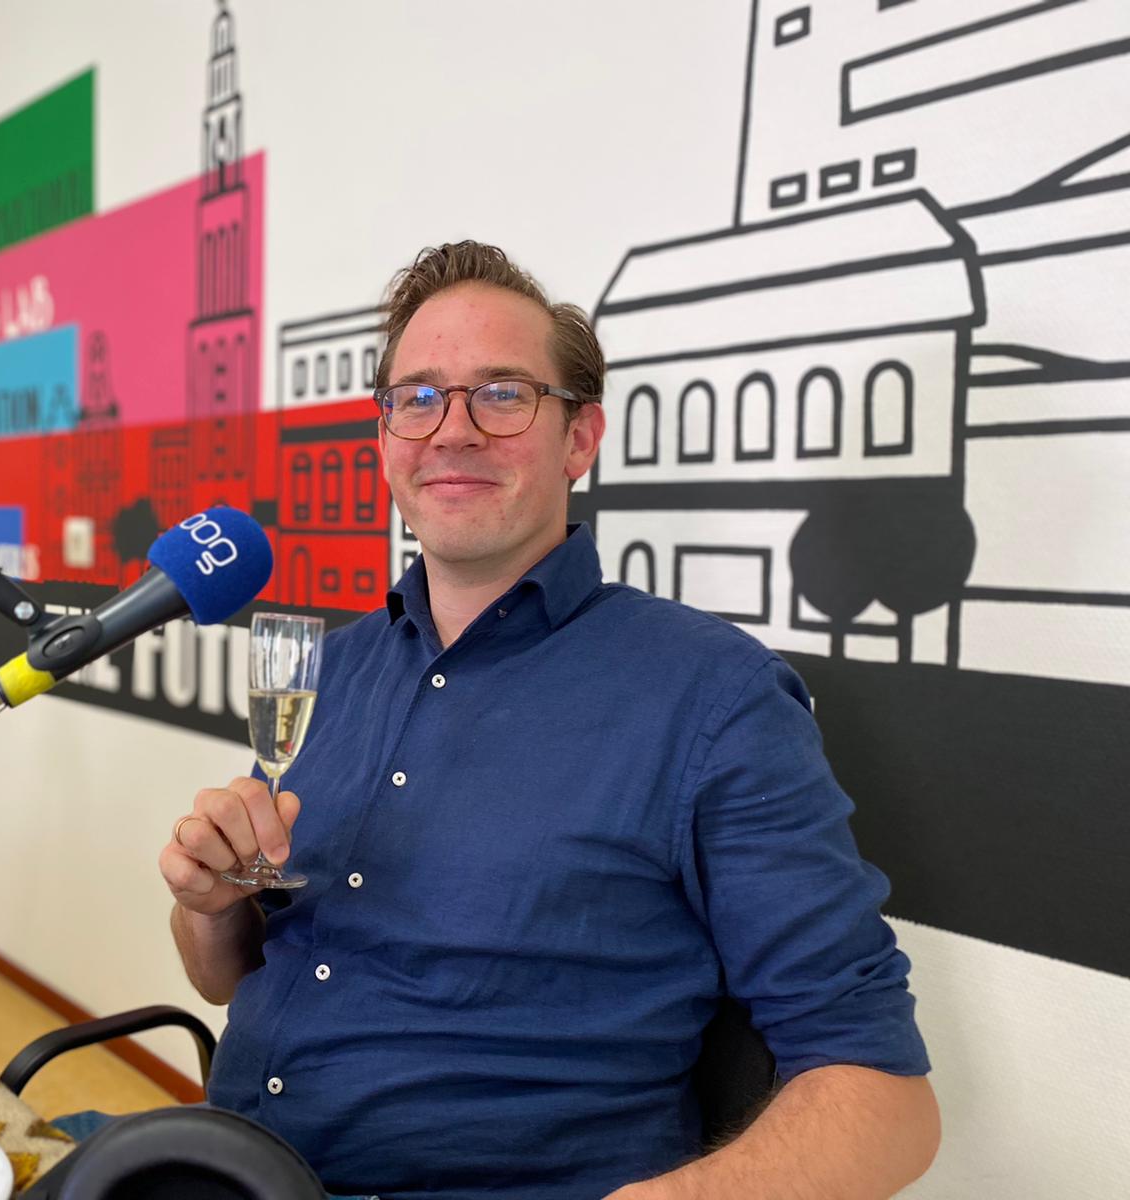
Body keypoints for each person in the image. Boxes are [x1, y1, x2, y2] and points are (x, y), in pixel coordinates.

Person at [159, 241, 939, 1199]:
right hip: (228, 1168)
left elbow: (885, 1096)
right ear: (386, 438)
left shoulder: (714, 697)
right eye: (418, 397)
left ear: (579, 438)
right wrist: (209, 905)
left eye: (502, 394)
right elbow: (225, 979)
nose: (452, 431)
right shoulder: (331, 670)